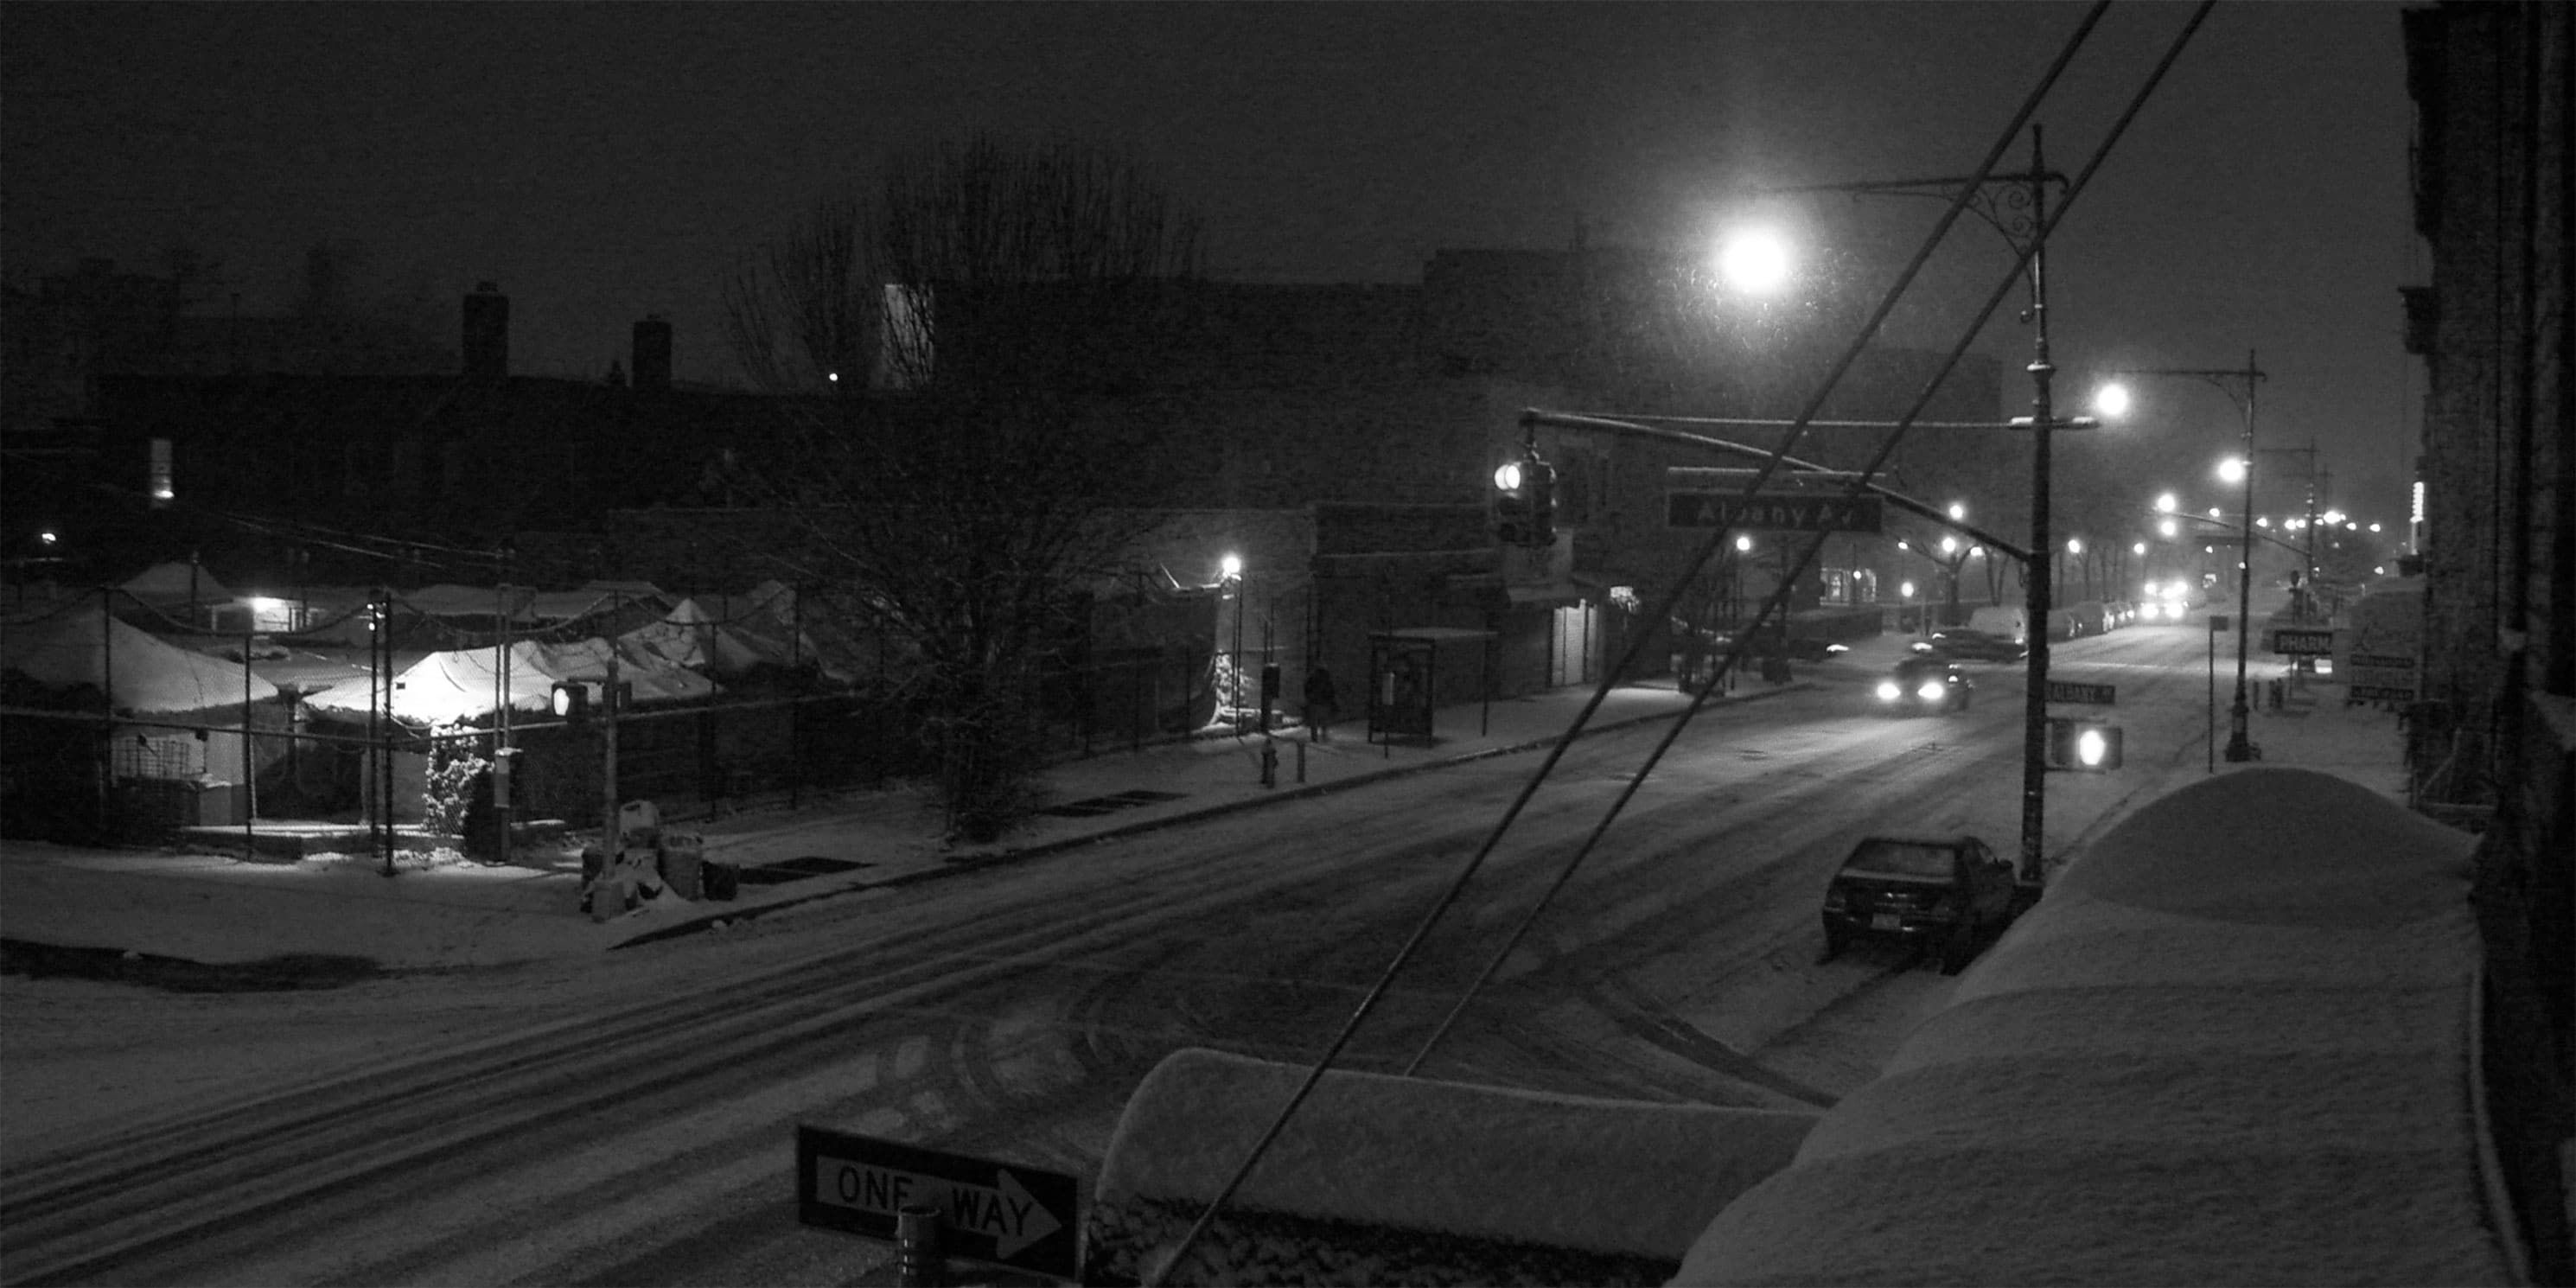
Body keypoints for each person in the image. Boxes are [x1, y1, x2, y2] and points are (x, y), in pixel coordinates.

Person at [1304, 663, 1338, 742]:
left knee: (1314, 721)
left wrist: (1308, 698)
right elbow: (1331, 690)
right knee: (1324, 720)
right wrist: (1331, 700)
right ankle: (1324, 736)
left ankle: (1314, 738)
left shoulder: (1311, 677)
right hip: (1324, 702)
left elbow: (1307, 688)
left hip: (1314, 701)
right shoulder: (1327, 678)